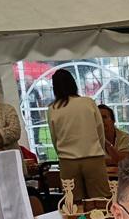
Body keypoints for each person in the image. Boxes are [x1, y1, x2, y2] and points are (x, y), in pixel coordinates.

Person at [46, 68, 111, 199]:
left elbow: (54, 137)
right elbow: (100, 130)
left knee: (73, 203)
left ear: (55, 88)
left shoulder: (53, 108)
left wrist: (61, 155)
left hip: (67, 161)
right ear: (73, 83)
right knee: (101, 200)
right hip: (93, 157)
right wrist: (100, 149)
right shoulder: (88, 102)